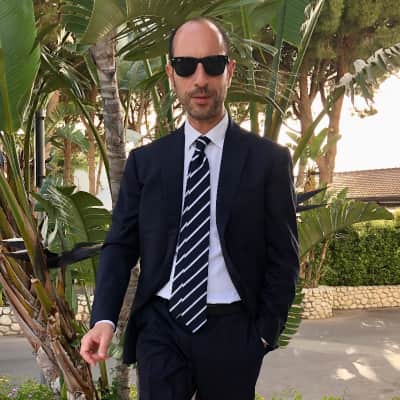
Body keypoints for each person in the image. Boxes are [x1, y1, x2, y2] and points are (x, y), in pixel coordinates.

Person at [80, 17, 299, 400]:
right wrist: (103, 319)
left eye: (212, 64)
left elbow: (284, 258)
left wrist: (263, 335)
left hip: (233, 333)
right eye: (185, 66)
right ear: (171, 74)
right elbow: (120, 245)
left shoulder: (268, 161)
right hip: (161, 326)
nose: (200, 79)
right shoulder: (145, 163)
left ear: (229, 70)